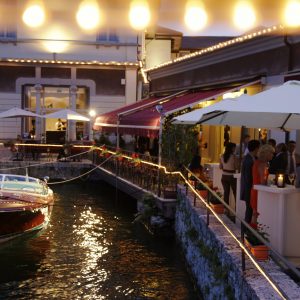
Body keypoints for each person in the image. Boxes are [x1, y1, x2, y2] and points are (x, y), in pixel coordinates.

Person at [250, 144, 274, 225]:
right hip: (258, 192)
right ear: (266, 153)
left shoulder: (258, 162)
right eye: (271, 153)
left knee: (255, 213)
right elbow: (262, 181)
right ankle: (254, 235)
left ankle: (252, 235)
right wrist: (271, 182)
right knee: (256, 214)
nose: (273, 155)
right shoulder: (262, 164)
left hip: (255, 190)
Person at [240, 139, 260, 224]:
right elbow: (248, 177)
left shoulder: (251, 158)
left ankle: (246, 230)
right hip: (249, 188)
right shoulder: (248, 159)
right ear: (256, 148)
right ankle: (245, 231)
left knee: (250, 210)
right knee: (249, 210)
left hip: (249, 187)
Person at [219, 142, 238, 207]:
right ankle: (236, 209)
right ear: (232, 148)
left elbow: (220, 167)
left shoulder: (222, 156)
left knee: (226, 193)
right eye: (234, 147)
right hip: (232, 176)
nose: (235, 149)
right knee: (235, 193)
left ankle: (226, 209)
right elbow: (236, 167)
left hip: (224, 176)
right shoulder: (234, 157)